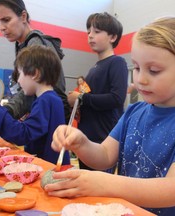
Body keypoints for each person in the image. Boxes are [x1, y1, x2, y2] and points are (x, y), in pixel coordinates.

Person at [44, 16, 175, 215]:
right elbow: (105, 155)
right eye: (136, 68)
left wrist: (104, 183)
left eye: (153, 70)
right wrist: (81, 143)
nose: (140, 79)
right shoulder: (134, 112)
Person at [0, 45, 70, 165]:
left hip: (50, 170)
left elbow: (23, 134)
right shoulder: (51, 99)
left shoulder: (46, 100)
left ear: (35, 74)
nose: (19, 80)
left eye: (20, 74)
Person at [0, 0, 71, 124]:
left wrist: (5, 111)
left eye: (6, 20)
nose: (1, 27)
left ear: (23, 16)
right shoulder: (21, 44)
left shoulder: (35, 44)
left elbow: (31, 91)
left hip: (51, 121)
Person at [67, 12, 128, 173]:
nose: (90, 36)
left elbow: (116, 98)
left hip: (104, 140)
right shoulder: (94, 68)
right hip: (87, 138)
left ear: (113, 37)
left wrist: (81, 98)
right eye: (88, 32)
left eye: (96, 32)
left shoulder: (117, 63)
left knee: (99, 191)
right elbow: (90, 98)